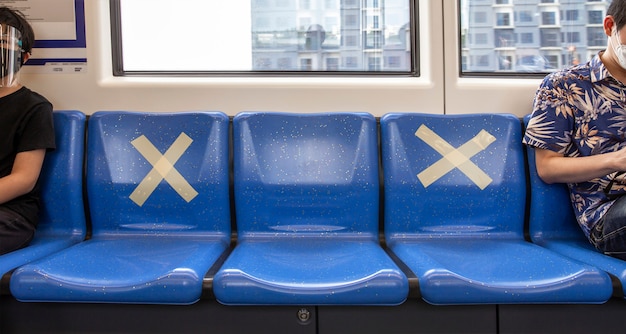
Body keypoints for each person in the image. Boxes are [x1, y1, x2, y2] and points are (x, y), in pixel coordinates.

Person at [0, 7, 55, 255]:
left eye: (3, 42)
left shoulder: (34, 108)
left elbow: (23, 179)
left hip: (11, 215)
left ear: (24, 56)